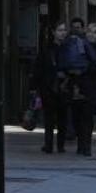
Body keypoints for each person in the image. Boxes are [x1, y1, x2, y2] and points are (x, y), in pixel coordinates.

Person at [59, 19, 96, 157]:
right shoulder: (84, 43)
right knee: (85, 118)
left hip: (75, 84)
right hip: (85, 85)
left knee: (78, 116)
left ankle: (83, 146)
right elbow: (95, 61)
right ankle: (85, 146)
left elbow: (61, 63)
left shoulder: (67, 43)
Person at [33, 24, 68, 153]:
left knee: (63, 118)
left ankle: (60, 145)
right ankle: (48, 144)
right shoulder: (47, 49)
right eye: (60, 30)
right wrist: (37, 87)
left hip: (64, 87)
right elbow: (39, 69)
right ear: (53, 32)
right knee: (49, 118)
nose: (62, 33)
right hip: (49, 87)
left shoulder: (68, 48)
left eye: (64, 30)